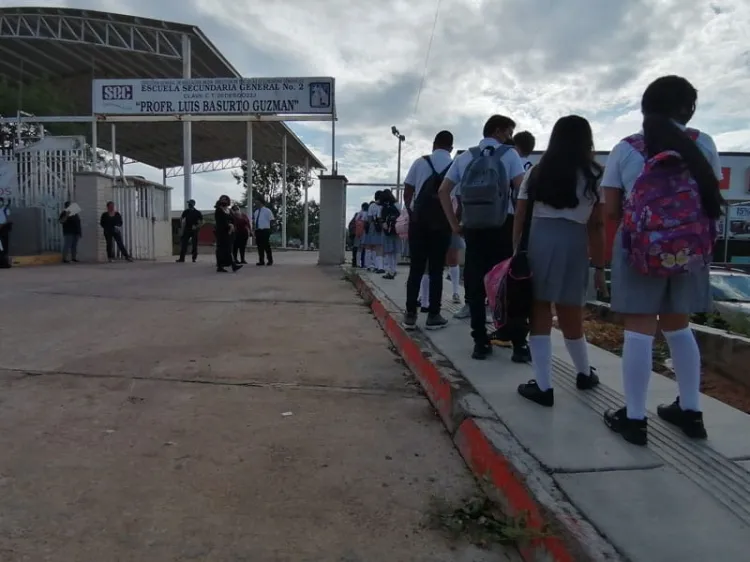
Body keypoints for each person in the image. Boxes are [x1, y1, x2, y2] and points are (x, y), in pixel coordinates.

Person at [600, 75, 725, 446]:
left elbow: (609, 209)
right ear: (687, 110)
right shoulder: (703, 143)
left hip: (640, 248)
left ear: (645, 108)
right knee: (678, 327)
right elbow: (710, 195)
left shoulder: (626, 148)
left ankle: (635, 419)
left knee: (639, 331)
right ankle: (691, 412)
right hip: (690, 250)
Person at [512, 116, 607, 407]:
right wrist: (600, 266)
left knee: (539, 310)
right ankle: (583, 372)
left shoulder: (539, 171)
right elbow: (597, 226)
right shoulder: (595, 173)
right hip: (575, 242)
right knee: (571, 310)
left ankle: (543, 386)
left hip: (540, 241)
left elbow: (520, 216)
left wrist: (516, 252)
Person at [438, 115, 530, 361]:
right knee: (509, 283)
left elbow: (443, 190)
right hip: (504, 226)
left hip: (473, 227)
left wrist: (454, 224)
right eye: (509, 132)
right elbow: (522, 190)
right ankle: (518, 343)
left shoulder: (464, 157)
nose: (511, 137)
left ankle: (480, 342)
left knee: (475, 283)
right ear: (499, 131)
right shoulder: (509, 155)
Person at [402, 130, 454, 330]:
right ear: (451, 147)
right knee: (436, 270)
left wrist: (411, 212)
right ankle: (433, 315)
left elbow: (408, 191)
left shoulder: (420, 162)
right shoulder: (454, 166)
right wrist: (454, 222)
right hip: (442, 224)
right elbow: (458, 198)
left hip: (419, 223)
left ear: (434, 144)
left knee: (416, 268)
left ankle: (410, 315)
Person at [214, 195, 242, 273]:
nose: (224, 201)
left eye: (225, 199)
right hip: (222, 232)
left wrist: (232, 225)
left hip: (230, 232)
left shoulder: (229, 210)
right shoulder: (219, 210)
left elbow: (233, 219)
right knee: (222, 249)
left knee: (228, 249)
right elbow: (220, 222)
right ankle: (227, 265)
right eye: (222, 200)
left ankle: (229, 265)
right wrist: (228, 225)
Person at [380, 189, 401, 279]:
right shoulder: (397, 204)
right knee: (395, 251)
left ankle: (390, 271)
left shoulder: (383, 206)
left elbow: (381, 218)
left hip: (387, 230)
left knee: (389, 252)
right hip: (396, 229)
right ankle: (394, 270)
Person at [177, 199, 203, 263]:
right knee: (184, 244)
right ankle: (181, 258)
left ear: (193, 204)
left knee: (194, 244)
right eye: (188, 204)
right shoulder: (186, 211)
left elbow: (201, 222)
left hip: (194, 230)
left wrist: (196, 226)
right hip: (187, 229)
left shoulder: (197, 212)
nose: (189, 205)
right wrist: (181, 227)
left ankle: (194, 258)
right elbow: (182, 219)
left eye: (190, 204)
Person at [252, 199, 274, 266]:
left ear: (261, 202)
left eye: (257, 202)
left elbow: (271, 220)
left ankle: (270, 260)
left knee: (266, 245)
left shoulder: (267, 211)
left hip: (265, 230)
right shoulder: (256, 212)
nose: (256, 203)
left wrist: (271, 230)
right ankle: (261, 261)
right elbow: (254, 221)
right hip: (258, 230)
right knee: (259, 246)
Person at [0, 197, 12, 268]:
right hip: (2, 230)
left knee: (3, 248)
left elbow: (6, 220)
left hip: (3, 231)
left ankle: (3, 262)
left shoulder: (5, 210)